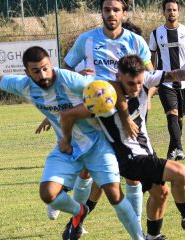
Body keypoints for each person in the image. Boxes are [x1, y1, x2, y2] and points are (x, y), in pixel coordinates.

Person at [0, 46, 145, 240]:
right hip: (67, 147)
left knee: (114, 194)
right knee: (48, 194)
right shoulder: (23, 86)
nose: (43, 75)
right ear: (27, 72)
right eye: (36, 71)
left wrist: (126, 118)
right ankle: (79, 212)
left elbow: (109, 90)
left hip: (96, 145)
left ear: (50, 64)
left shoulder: (70, 79)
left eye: (46, 68)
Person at [60, 55, 185, 239]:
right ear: (119, 76)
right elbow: (71, 111)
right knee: (180, 172)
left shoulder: (145, 80)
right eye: (130, 83)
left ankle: (153, 236)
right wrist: (57, 123)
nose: (136, 88)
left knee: (161, 194)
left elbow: (173, 74)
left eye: (139, 82)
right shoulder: (105, 95)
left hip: (145, 151)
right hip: (129, 159)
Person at [40, 0, 156, 230]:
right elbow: (65, 71)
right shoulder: (87, 40)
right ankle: (73, 215)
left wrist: (147, 98)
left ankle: (137, 227)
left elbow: (150, 76)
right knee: (85, 170)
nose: (111, 14)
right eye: (106, 9)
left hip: (126, 113)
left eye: (116, 10)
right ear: (101, 12)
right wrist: (72, 84)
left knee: (132, 174)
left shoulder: (136, 41)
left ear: (124, 13)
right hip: (92, 113)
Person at [148, 0, 185, 161]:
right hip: (165, 82)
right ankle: (179, 148)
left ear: (178, 12)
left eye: (174, 10)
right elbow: (150, 57)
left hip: (184, 83)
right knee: (171, 113)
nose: (171, 12)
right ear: (163, 12)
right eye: (168, 10)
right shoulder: (156, 34)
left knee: (179, 118)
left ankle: (172, 150)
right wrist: (154, 74)